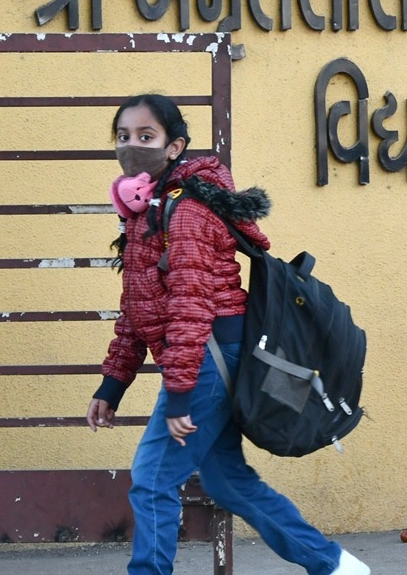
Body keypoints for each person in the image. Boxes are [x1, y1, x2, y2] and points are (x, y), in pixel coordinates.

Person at [85, 94, 369, 575]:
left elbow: (192, 309)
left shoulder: (186, 213)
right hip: (206, 358)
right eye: (123, 136)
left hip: (204, 360)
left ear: (174, 148)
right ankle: (335, 564)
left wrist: (179, 395)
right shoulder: (147, 212)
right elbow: (140, 306)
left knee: (152, 480)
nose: (132, 146)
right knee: (227, 481)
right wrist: (113, 384)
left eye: (145, 137)